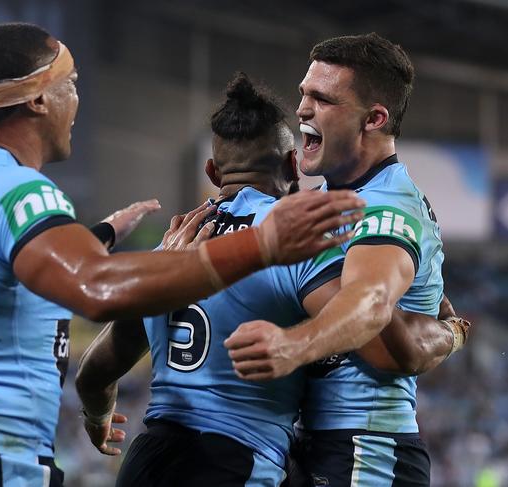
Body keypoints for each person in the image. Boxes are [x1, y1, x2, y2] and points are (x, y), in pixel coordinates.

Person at [0, 23, 365, 487]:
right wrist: (261, 246)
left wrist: (114, 239)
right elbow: (98, 288)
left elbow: (15, 266)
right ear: (41, 99)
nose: (77, 101)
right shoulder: (19, 190)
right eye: (72, 84)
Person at [75, 73, 468, 487]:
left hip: (146, 461)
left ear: (212, 171)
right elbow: (381, 342)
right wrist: (449, 330)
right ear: (291, 165)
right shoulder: (288, 246)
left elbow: (93, 374)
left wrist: (98, 418)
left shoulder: (174, 249)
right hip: (233, 463)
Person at [225, 33, 468, 486]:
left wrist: (294, 346)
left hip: (363, 447)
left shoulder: (386, 207)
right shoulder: (336, 199)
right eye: (303, 93)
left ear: (374, 119)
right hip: (315, 441)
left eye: (322, 98)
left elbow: (370, 303)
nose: (302, 109)